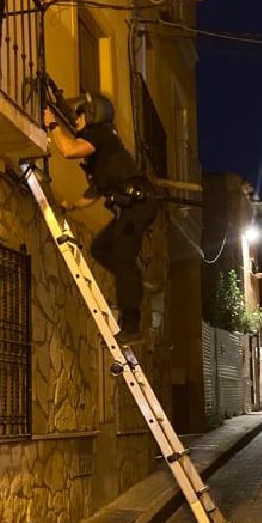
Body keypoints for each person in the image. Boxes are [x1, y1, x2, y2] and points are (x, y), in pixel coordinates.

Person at [43, 93, 157, 340]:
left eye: (80, 115)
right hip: (132, 207)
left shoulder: (100, 134)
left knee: (122, 259)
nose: (76, 120)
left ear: (93, 115)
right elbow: (93, 193)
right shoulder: (100, 155)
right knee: (100, 249)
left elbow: (68, 150)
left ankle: (131, 327)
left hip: (138, 205)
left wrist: (52, 123)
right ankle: (133, 282)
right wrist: (70, 206)